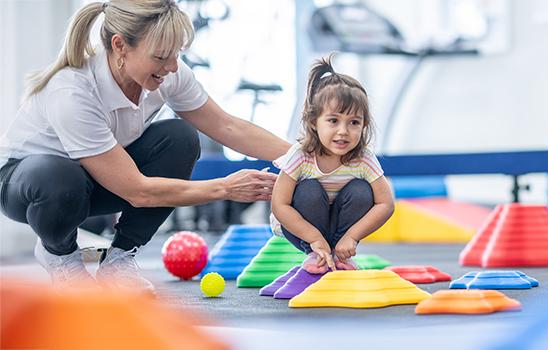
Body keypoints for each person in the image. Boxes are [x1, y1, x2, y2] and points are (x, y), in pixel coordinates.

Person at [0, 0, 290, 293]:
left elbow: (228, 126)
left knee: (180, 138)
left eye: (177, 54)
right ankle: (60, 255)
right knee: (59, 178)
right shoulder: (72, 92)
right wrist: (225, 188)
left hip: (96, 179)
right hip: (28, 185)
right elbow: (137, 191)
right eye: (162, 56)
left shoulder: (170, 75)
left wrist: (306, 156)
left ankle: (119, 261)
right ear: (120, 45)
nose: (173, 66)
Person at [270, 55, 394, 274]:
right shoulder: (301, 155)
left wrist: (351, 237)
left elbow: (386, 204)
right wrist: (314, 239)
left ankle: (338, 254)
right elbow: (279, 205)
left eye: (354, 122)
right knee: (308, 189)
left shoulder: (363, 158)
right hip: (301, 227)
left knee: (362, 190)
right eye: (333, 120)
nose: (343, 131)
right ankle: (314, 253)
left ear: (364, 125)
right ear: (313, 122)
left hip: (340, 227)